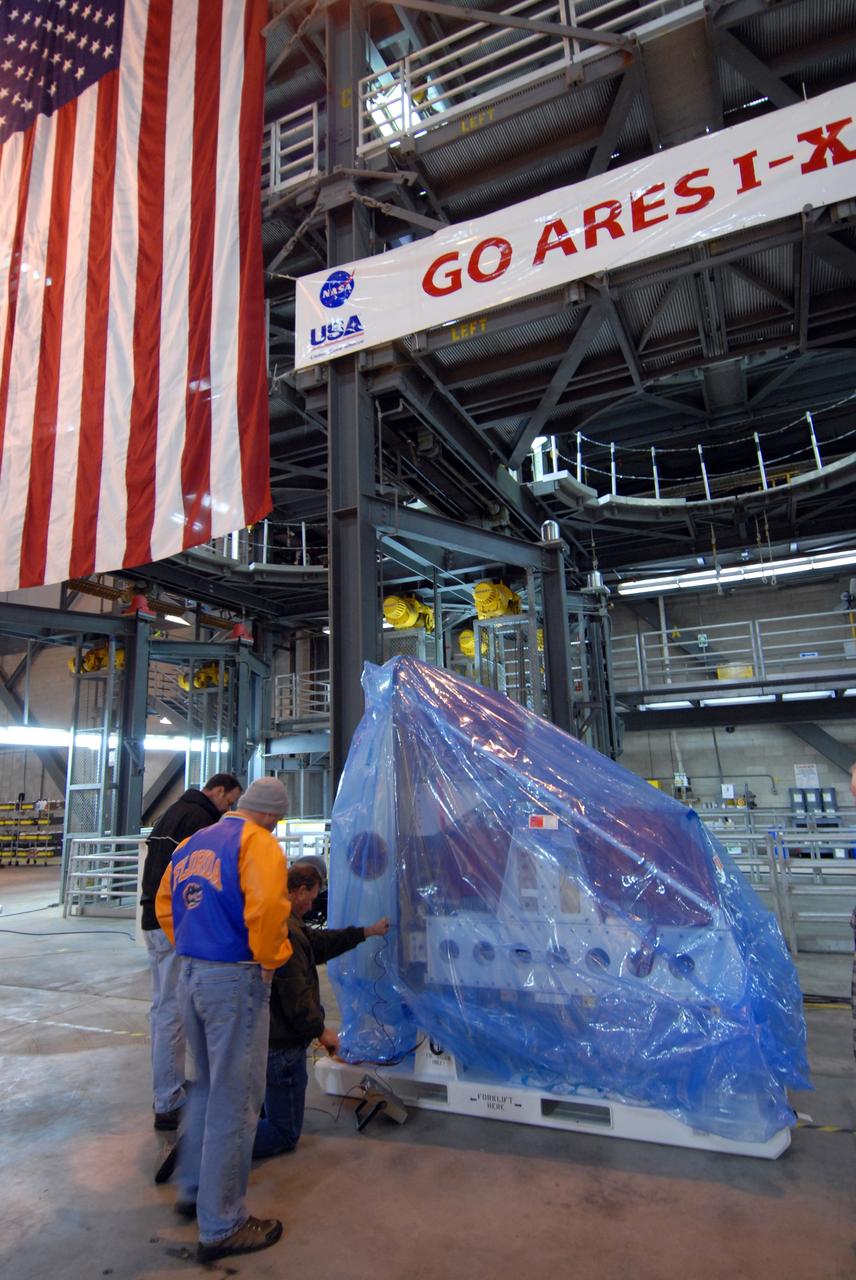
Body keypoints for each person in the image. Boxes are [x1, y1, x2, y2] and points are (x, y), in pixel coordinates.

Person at [155, 776, 292, 1264]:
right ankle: (223, 1224)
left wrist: (193, 944)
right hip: (235, 980)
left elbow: (165, 904)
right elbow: (269, 909)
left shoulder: (195, 841)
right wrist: (270, 960)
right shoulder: (259, 844)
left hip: (191, 974)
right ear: (273, 816)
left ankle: (195, 1190)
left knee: (209, 1089)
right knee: (237, 1102)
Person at [253, 860, 389, 1160]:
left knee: (265, 1106)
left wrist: (368, 931)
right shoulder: (285, 930)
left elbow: (321, 943)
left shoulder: (286, 921)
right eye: (313, 897)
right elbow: (295, 993)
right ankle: (211, 1146)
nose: (313, 903)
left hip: (268, 1039)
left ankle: (221, 1136)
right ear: (300, 891)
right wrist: (321, 1032)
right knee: (283, 1131)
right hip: (282, 1045)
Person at [140, 773, 242, 1129]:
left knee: (166, 1008)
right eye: (229, 801)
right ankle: (167, 1098)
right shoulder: (200, 821)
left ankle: (171, 1085)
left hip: (154, 917)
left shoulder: (172, 812)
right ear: (216, 790)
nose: (229, 808)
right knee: (172, 1011)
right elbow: (193, 879)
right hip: (170, 924)